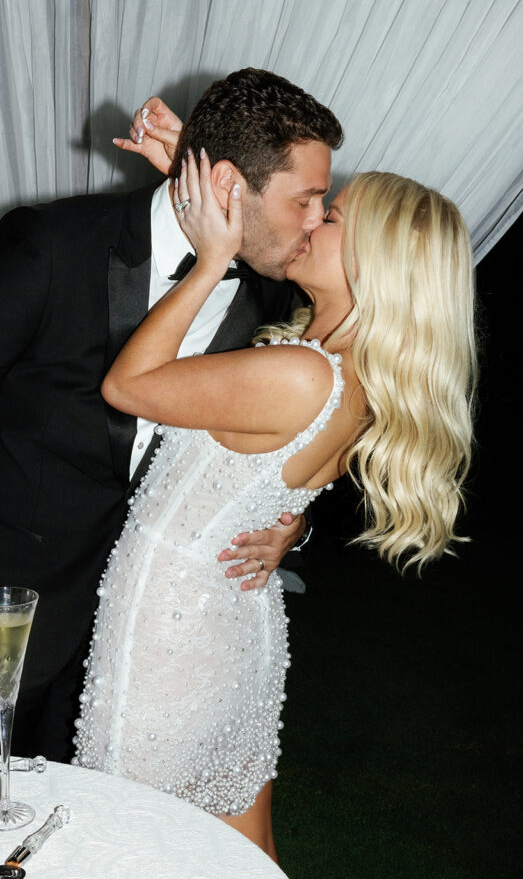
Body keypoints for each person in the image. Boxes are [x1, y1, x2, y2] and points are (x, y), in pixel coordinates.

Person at [0, 68, 343, 758]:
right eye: (305, 199)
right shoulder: (48, 245)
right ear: (227, 186)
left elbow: (274, 448)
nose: (315, 220)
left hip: (129, 639)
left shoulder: (270, 295)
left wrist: (289, 529)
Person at [72, 155, 476, 861]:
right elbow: (263, 486)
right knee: (244, 849)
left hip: (171, 629)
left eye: (333, 217)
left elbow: (127, 386)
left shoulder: (301, 373)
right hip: (234, 616)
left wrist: (209, 261)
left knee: (125, 841)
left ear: (374, 261)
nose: (312, 221)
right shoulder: (353, 369)